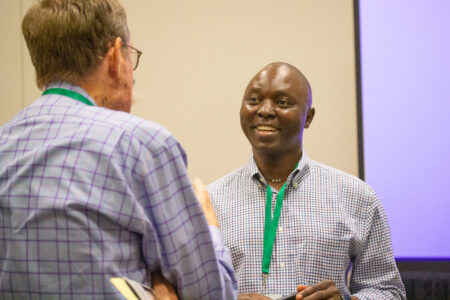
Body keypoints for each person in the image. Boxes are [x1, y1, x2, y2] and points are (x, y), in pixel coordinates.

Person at [0, 0, 237, 299]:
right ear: (114, 57)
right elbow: (212, 294)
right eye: (130, 55)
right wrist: (210, 229)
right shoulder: (143, 144)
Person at [207, 62, 406, 300]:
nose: (265, 110)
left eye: (282, 103)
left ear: (308, 117)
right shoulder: (209, 203)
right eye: (254, 100)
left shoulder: (357, 197)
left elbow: (389, 291)